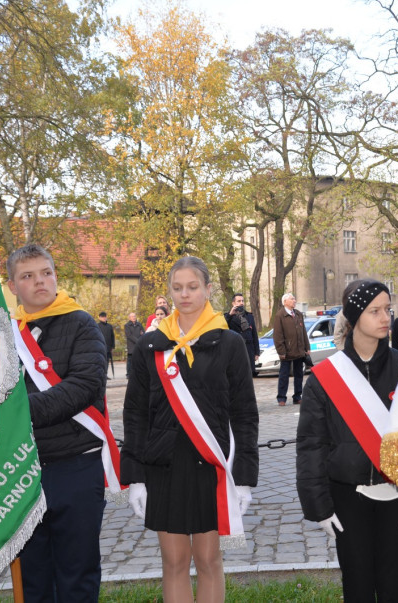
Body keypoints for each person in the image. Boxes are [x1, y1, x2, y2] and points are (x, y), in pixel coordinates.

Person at [121, 256, 258, 603]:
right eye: (178, 288)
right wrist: (134, 475)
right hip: (163, 467)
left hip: (210, 466)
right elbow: (135, 413)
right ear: (169, 292)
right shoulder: (149, 346)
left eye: (193, 287)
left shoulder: (229, 343)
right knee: (174, 561)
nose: (185, 295)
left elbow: (245, 413)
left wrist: (243, 477)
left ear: (208, 290)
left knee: (209, 560)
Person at [296, 278, 398, 601]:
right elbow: (311, 446)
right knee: (357, 588)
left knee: (396, 590)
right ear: (353, 319)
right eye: (373, 311)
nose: (384, 318)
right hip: (347, 498)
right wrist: (319, 507)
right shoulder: (325, 378)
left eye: (387, 309)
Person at [7, 244, 108, 603]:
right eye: (28, 276)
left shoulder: (83, 324)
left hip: (76, 466)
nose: (39, 282)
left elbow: (82, 388)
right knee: (33, 577)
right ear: (12, 285)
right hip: (19, 470)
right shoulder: (2, 335)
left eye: (45, 272)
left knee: (77, 575)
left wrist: (13, 414)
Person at [273, 293, 308, 406]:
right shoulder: (280, 315)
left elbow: (303, 332)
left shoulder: (298, 314)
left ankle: (297, 396)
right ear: (285, 302)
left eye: (294, 298)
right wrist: (281, 351)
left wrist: (307, 348)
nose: (294, 300)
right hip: (287, 351)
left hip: (299, 350)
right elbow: (277, 335)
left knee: (299, 375)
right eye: (292, 299)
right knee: (284, 375)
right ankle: (281, 397)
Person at [224, 293, 260, 375]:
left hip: (249, 350)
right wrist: (230, 314)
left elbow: (254, 334)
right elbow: (222, 326)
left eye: (242, 301)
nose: (241, 303)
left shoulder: (249, 316)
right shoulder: (228, 316)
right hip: (236, 351)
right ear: (233, 303)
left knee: (249, 375)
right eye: (239, 301)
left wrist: (256, 352)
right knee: (237, 375)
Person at [97, 311, 116, 378]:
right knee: (100, 361)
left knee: (107, 361)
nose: (104, 318)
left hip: (108, 347)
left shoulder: (109, 326)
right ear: (99, 318)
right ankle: (100, 374)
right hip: (99, 347)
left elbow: (112, 336)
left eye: (105, 317)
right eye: (102, 317)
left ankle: (105, 374)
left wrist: (112, 346)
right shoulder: (97, 326)